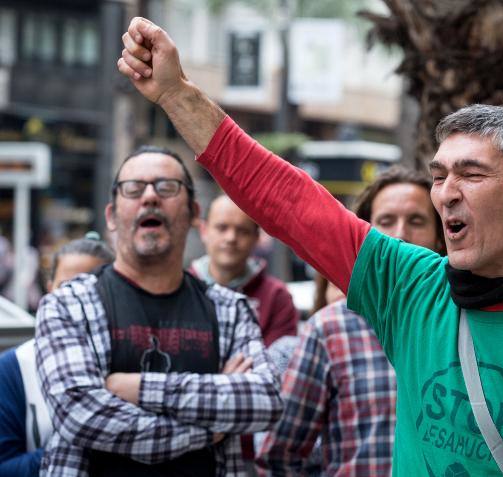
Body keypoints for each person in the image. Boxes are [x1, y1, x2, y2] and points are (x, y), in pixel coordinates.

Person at [118, 18, 503, 476]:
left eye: (472, 175)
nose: (447, 195)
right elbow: (286, 200)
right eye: (439, 176)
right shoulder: (410, 286)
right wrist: (174, 94)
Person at [34, 145, 283, 476]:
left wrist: (136, 388)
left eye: (167, 187)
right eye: (133, 189)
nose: (149, 197)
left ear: (194, 214)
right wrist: (210, 426)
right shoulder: (67, 305)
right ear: (111, 216)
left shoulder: (231, 310)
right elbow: (81, 416)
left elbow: (265, 401)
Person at [258, 167, 444, 475]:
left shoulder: (462, 324)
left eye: (416, 221)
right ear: (365, 236)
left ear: (439, 237)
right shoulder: (331, 330)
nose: (400, 235)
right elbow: (279, 457)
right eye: (386, 222)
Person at [0, 233, 114, 477]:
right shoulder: (15, 367)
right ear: (49, 288)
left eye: (92, 287)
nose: (78, 301)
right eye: (67, 287)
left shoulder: (137, 356)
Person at [191, 194, 299, 347]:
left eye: (242, 231)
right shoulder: (181, 287)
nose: (231, 238)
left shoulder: (277, 297)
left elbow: (278, 364)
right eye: (222, 228)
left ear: (256, 237)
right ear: (204, 231)